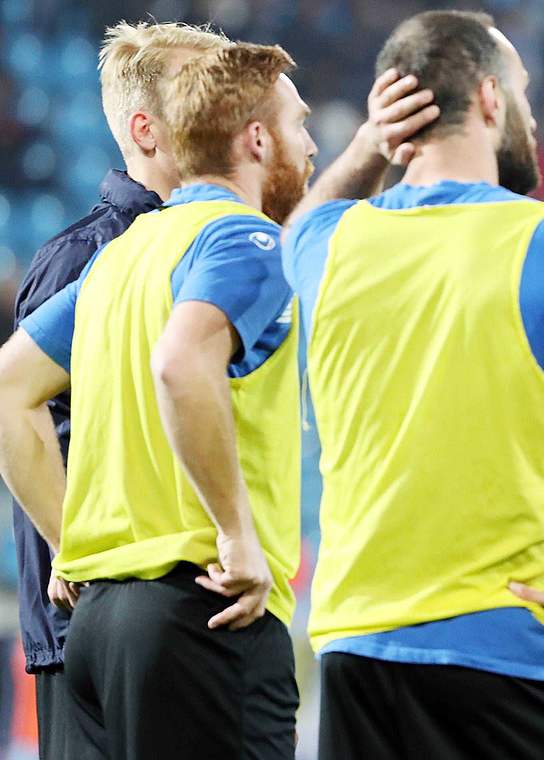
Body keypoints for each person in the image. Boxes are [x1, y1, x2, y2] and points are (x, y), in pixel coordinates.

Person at [283, 11, 544, 759]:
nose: (528, 111)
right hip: (507, 651)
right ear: (491, 99)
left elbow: (301, 225)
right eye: (521, 92)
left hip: (359, 650)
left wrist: (368, 145)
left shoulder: (332, 248)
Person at [0, 41, 317, 759]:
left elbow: (8, 386)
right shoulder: (246, 238)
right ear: (257, 139)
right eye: (300, 126)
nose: (312, 143)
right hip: (206, 610)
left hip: (101, 627)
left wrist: (70, 546)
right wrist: (238, 536)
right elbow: (181, 361)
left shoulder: (118, 257)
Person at [9, 22, 228, 759]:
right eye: (204, 96)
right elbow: (17, 406)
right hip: (90, 647)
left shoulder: (219, 244)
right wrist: (83, 554)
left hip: (183, 630)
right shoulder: (82, 258)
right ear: (147, 129)